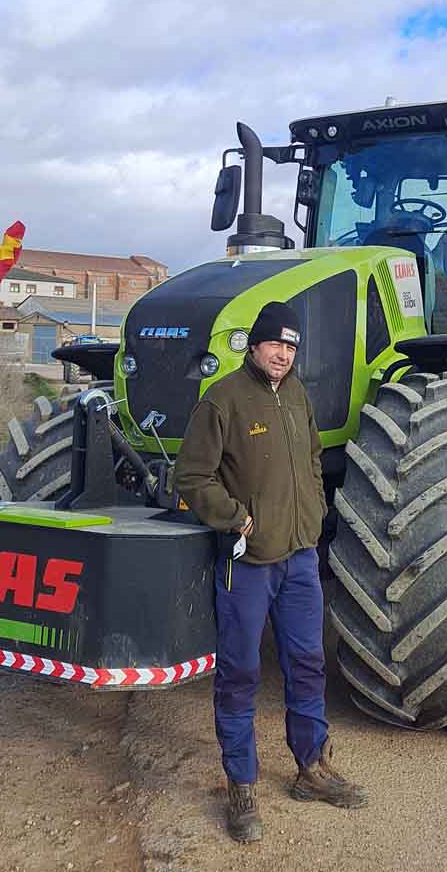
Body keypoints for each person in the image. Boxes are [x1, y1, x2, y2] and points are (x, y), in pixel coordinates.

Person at [175, 301, 367, 843]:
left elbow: (310, 458)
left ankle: (311, 766)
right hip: (248, 563)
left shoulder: (298, 396)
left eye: (291, 347)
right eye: (275, 344)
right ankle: (242, 787)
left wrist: (316, 511)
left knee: (307, 663)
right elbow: (190, 476)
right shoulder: (224, 400)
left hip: (300, 557)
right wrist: (236, 518)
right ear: (255, 345)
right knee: (239, 673)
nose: (283, 354)